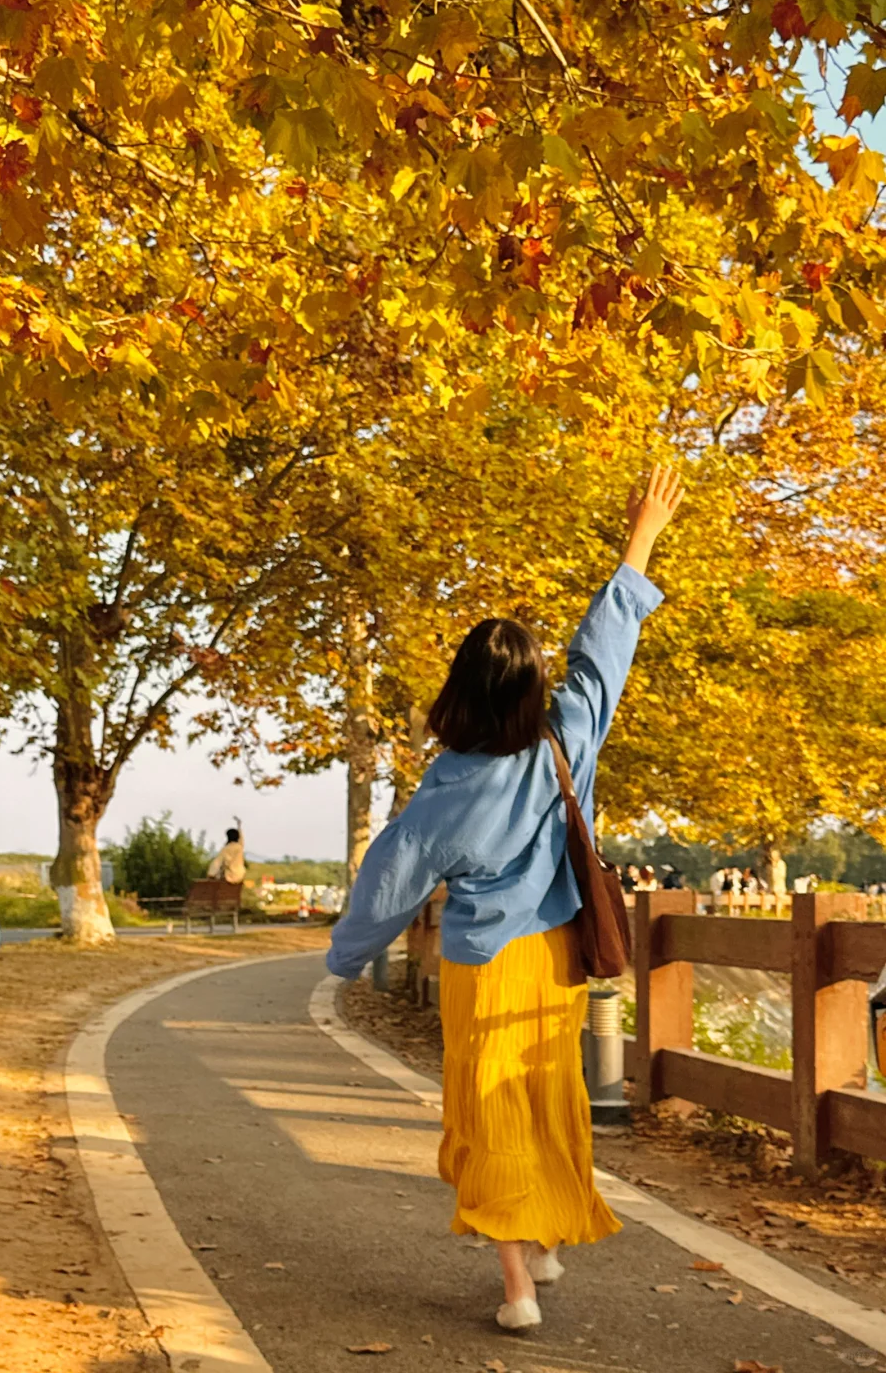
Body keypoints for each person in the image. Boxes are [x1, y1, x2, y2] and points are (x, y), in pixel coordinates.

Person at [327, 464, 683, 1332]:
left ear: (462, 692)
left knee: (489, 1110)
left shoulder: (448, 785)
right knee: (545, 1091)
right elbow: (605, 649)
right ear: (529, 689)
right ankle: (548, 1238)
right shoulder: (568, 737)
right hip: (557, 959)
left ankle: (519, 1288)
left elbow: (390, 879)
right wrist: (640, 537)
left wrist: (344, 956)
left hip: (483, 964)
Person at [207, 819, 245, 883]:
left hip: (230, 877)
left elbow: (216, 863)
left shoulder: (226, 849)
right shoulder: (240, 847)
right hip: (240, 876)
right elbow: (241, 839)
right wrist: (239, 826)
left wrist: (211, 874)